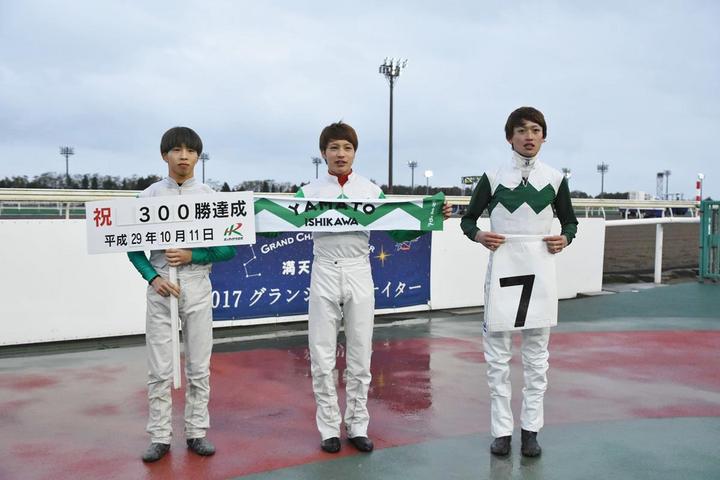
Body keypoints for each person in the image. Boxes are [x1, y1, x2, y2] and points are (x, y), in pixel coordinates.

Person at [300, 121, 451, 454]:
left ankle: (357, 425)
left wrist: (431, 219)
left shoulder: (370, 191)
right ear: (323, 152)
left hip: (359, 269)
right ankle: (328, 428)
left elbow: (397, 231)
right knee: (322, 355)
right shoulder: (307, 192)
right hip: (323, 268)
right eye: (334, 148)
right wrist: (250, 214)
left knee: (360, 352)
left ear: (355, 152)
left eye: (347, 148)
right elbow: (274, 223)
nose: (341, 154)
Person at [460, 107, 578, 457]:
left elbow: (570, 222)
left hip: (541, 273)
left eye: (536, 130)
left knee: (537, 358)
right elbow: (468, 220)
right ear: (509, 136)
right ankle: (501, 432)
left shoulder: (555, 179)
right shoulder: (492, 176)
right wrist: (480, 235)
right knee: (497, 358)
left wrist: (565, 239)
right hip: (502, 271)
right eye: (522, 130)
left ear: (544, 136)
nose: (529, 136)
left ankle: (530, 432)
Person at [128, 126, 236, 462]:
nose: (184, 157)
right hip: (162, 285)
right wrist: (152, 277)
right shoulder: (147, 197)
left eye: (190, 151)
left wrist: (193, 255)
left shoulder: (210, 197)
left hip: (197, 282)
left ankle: (196, 432)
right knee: (159, 368)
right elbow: (132, 247)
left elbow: (227, 250)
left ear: (198, 156)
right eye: (177, 150)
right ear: (165, 155)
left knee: (199, 364)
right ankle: (160, 436)